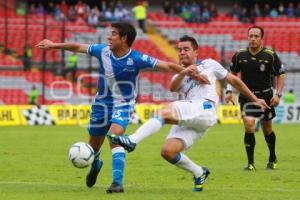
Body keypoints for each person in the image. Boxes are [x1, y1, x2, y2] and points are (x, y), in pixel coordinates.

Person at [36, 22, 208, 193]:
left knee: (115, 137)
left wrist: (189, 72)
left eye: (113, 34)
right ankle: (95, 164)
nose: (109, 37)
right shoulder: (102, 51)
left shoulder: (137, 58)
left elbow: (167, 66)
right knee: (94, 145)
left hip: (123, 105)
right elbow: (78, 46)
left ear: (124, 38)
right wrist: (54, 46)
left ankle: (116, 183)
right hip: (100, 105)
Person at [107, 35, 269, 192]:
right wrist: (186, 72)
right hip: (193, 117)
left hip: (205, 107)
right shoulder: (180, 74)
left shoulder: (209, 64)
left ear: (196, 52)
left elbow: (234, 80)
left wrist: (254, 99)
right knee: (168, 151)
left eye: (186, 49)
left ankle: (132, 140)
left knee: (163, 111)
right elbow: (172, 87)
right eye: (179, 50)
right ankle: (199, 172)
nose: (182, 52)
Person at [226, 26, 285, 171]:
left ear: (261, 39)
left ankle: (272, 157)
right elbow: (231, 74)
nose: (252, 39)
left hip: (266, 96)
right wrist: (229, 91)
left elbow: (281, 74)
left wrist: (277, 94)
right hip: (247, 97)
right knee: (249, 124)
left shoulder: (270, 55)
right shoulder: (240, 55)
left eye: (256, 36)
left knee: (267, 128)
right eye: (250, 36)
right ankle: (250, 163)